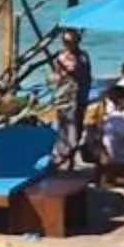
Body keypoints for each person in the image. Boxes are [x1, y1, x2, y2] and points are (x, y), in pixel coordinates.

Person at [51, 30, 93, 167]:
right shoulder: (61, 57)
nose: (71, 45)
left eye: (74, 42)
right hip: (65, 98)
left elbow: (86, 76)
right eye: (67, 42)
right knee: (67, 128)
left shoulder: (83, 56)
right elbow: (57, 77)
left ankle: (71, 157)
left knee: (78, 128)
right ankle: (63, 156)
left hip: (80, 97)